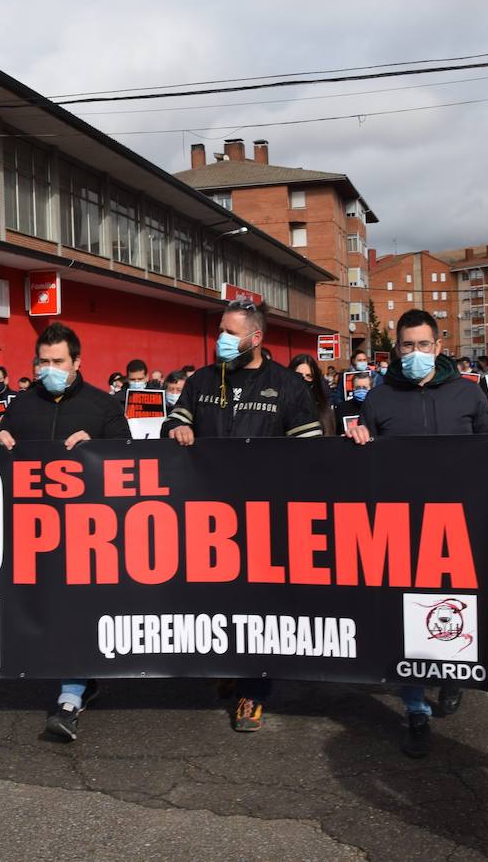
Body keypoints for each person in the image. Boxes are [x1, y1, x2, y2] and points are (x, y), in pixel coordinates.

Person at [344, 309, 488, 759]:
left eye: (423, 345)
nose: (415, 354)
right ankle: (415, 704)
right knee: (404, 612)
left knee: (455, 607)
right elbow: (363, 465)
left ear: (439, 347)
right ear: (395, 349)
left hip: (459, 524)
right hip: (400, 526)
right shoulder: (379, 400)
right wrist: (357, 439)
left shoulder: (466, 393)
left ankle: (453, 678)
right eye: (407, 346)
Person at [163, 300, 322, 732]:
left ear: (255, 338)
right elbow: (171, 426)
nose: (221, 339)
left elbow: (311, 451)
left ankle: (255, 690)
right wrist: (178, 428)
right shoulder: (200, 380)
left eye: (230, 332)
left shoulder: (287, 386)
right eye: (220, 330)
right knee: (216, 602)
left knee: (259, 607)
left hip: (264, 518)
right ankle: (229, 666)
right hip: (208, 516)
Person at [0, 322, 130, 742]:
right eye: (42, 362)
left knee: (77, 608)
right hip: (34, 530)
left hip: (85, 532)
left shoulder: (102, 406)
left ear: (77, 363)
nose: (48, 369)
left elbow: (128, 461)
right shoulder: (21, 404)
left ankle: (71, 695)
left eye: (58, 362)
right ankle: (76, 678)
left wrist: (98, 448)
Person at [288, 353, 337, 436]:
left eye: (309, 376)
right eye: (298, 375)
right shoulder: (282, 407)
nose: (303, 380)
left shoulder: (324, 410)